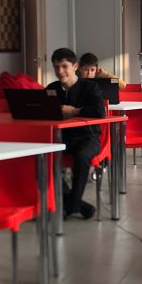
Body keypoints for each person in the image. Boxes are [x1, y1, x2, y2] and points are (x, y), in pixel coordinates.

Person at [47, 48, 106, 219]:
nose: (60, 71)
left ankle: (71, 204)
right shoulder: (52, 88)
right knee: (44, 158)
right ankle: (75, 204)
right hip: (62, 138)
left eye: (64, 66)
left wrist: (74, 111)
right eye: (56, 67)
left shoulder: (90, 86)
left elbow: (99, 112)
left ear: (75, 66)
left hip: (88, 138)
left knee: (81, 157)